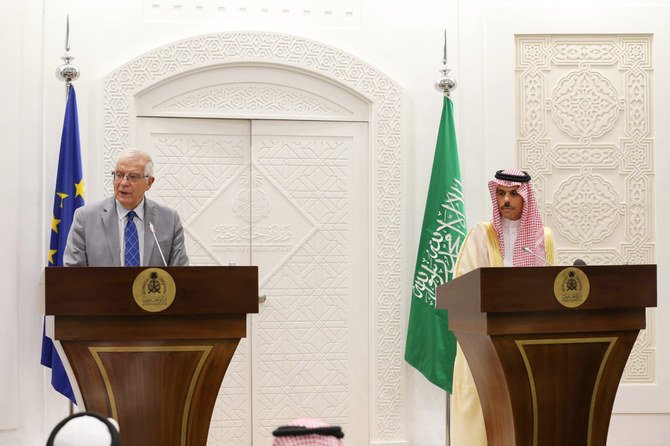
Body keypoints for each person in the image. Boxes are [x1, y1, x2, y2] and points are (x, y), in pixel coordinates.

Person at [450, 168, 555, 446]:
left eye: (513, 194)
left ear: (525, 198)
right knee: (480, 404)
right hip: (482, 340)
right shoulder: (481, 234)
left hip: (526, 338)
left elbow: (551, 288)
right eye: (500, 193)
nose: (506, 200)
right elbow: (462, 286)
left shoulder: (542, 239)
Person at [63, 148, 189, 267]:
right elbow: (73, 273)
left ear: (149, 183)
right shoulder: (85, 218)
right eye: (119, 175)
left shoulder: (169, 219)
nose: (123, 183)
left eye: (133, 177)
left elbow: (180, 273)